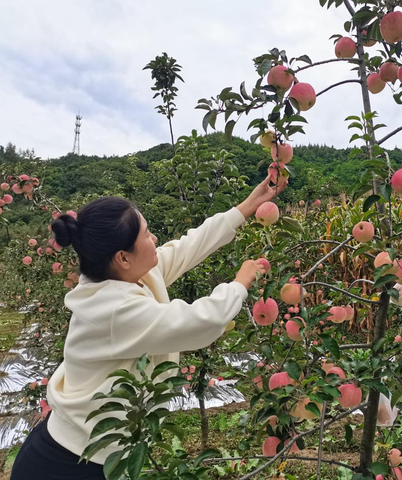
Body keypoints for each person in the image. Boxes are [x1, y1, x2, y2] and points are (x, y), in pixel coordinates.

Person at [11, 177, 278, 479]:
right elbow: (202, 321)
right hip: (68, 465)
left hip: (95, 454)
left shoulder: (130, 274)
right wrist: (240, 283)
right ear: (123, 257)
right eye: (148, 235)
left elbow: (186, 247)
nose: (155, 241)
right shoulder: (113, 308)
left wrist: (245, 207)